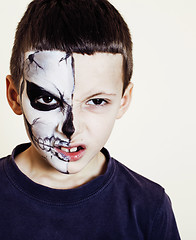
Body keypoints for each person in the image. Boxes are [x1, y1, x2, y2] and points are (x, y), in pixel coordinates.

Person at [1, 0, 181, 239]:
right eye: (47, 99)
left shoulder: (148, 206)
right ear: (14, 96)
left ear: (123, 100)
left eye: (96, 101)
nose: (70, 128)